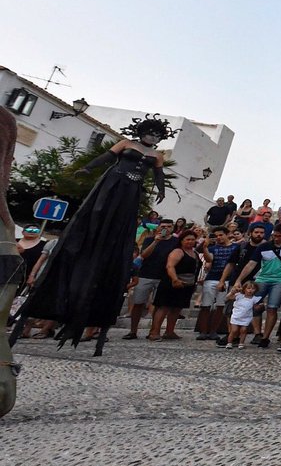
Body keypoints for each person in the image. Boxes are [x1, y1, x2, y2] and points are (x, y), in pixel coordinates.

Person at [10, 115, 172, 355]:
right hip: (115, 181)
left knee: (121, 217)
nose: (153, 137)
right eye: (151, 133)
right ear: (142, 132)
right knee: (99, 209)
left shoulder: (157, 155)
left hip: (131, 190)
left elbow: (158, 175)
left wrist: (161, 189)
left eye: (157, 135)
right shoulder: (126, 144)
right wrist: (88, 167)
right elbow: (107, 157)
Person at [232, 224, 281, 349]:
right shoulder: (264, 246)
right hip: (263, 278)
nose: (277, 238)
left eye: (280, 236)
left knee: (272, 308)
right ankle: (257, 333)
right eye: (275, 235)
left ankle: (265, 337)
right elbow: (251, 264)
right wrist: (239, 279)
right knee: (253, 305)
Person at [148, 229, 200, 341]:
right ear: (181, 241)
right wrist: (175, 279)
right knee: (164, 307)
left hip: (187, 284)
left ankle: (169, 331)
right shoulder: (178, 251)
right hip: (171, 282)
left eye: (192, 239)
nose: (190, 241)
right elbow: (170, 266)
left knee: (177, 308)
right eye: (187, 239)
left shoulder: (195, 253)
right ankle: (154, 332)